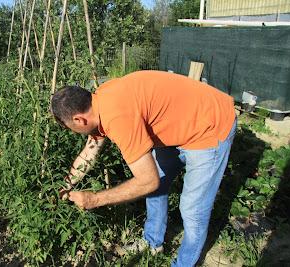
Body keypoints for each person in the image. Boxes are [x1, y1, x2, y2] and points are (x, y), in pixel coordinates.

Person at [51, 70, 236, 266]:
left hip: (209, 126)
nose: (74, 132)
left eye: (71, 128)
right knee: (158, 188)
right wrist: (67, 183)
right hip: (182, 121)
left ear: (79, 120)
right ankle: (153, 242)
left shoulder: (118, 119)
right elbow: (91, 149)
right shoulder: (100, 100)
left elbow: (148, 181)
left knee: (192, 208)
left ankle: (184, 263)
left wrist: (94, 199)